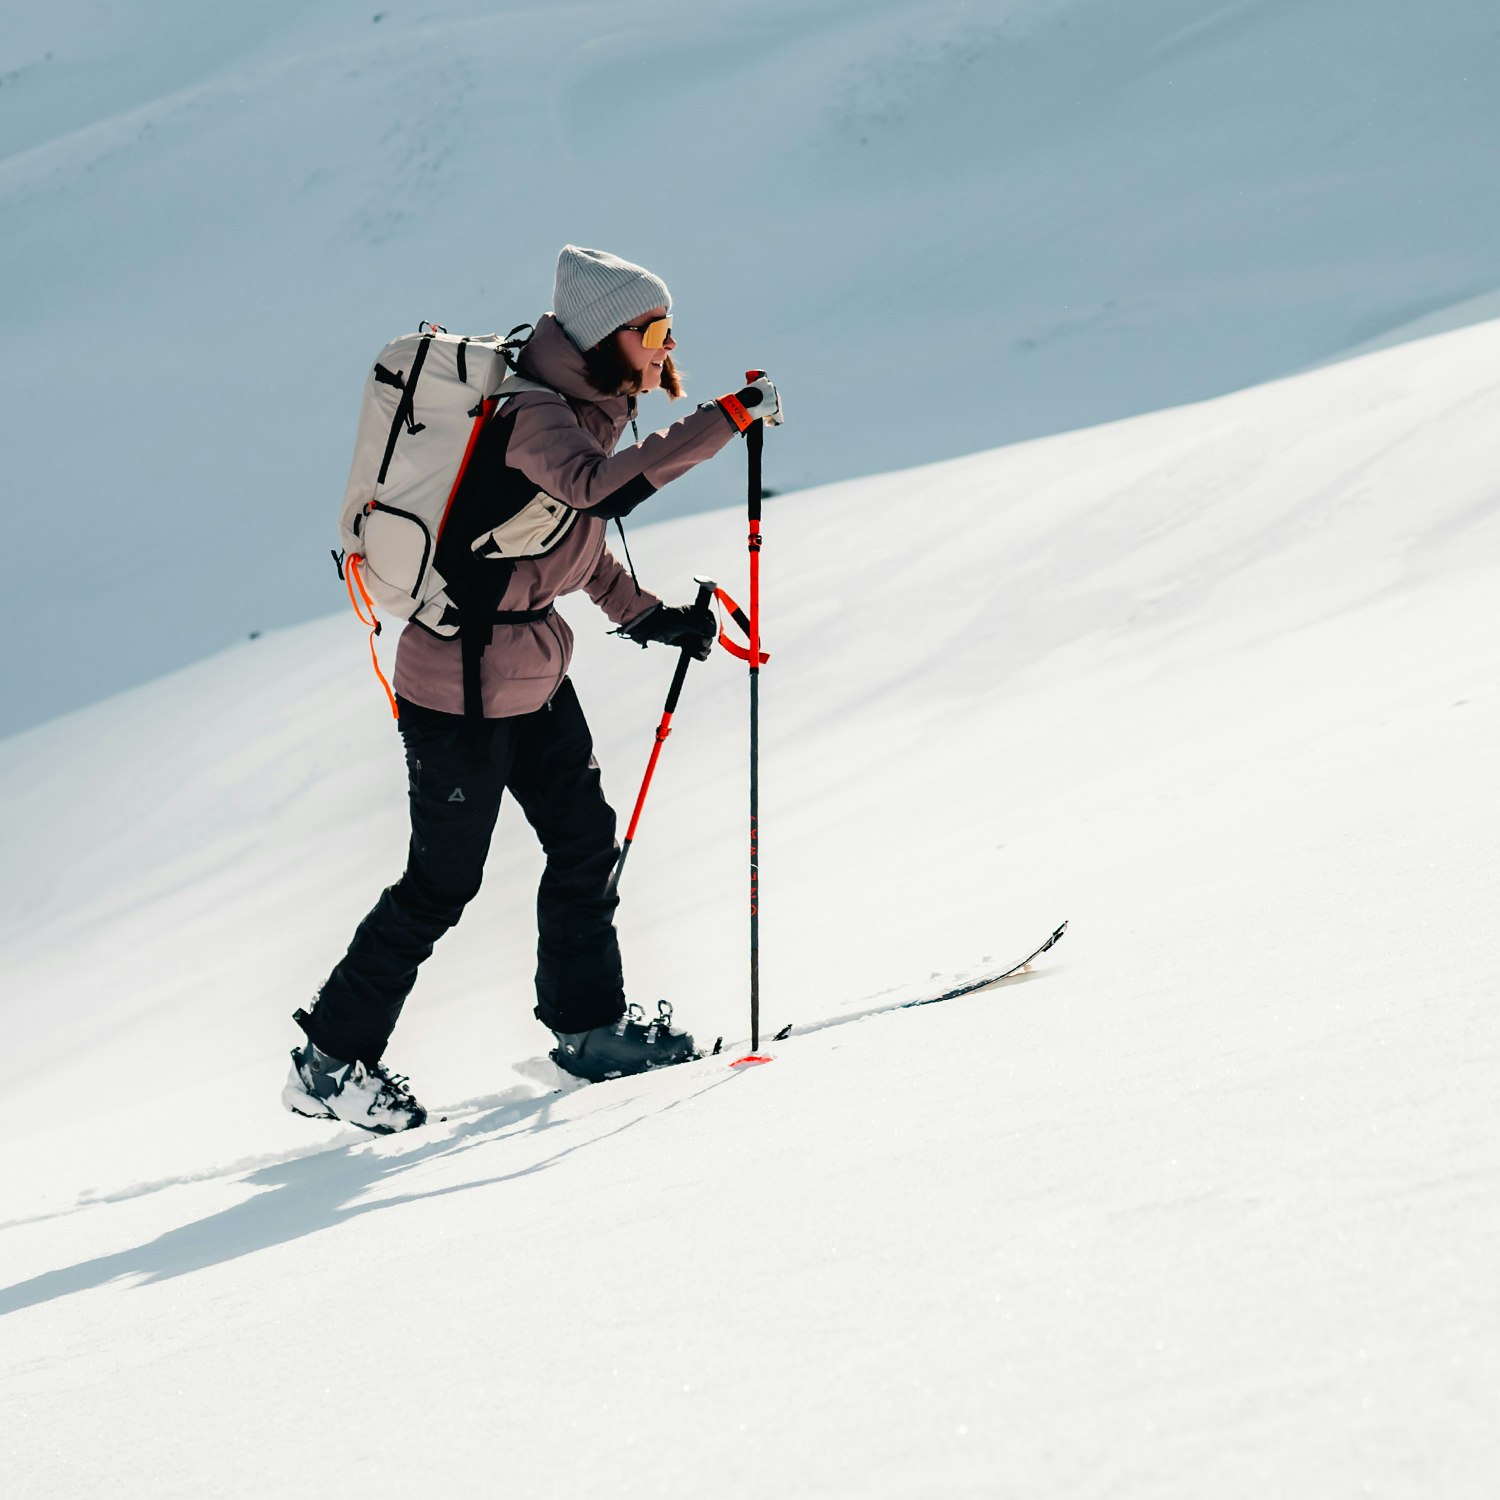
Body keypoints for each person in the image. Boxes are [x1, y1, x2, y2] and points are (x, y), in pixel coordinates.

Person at [283, 245, 782, 1133]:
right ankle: (329, 1060)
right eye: (655, 332)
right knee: (442, 884)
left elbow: (564, 546)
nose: (667, 348)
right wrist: (725, 420)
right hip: (458, 689)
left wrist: (651, 618)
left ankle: (589, 1031)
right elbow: (596, 495)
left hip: (533, 676)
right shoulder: (532, 414)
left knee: (586, 843)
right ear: (606, 336)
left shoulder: (589, 412)